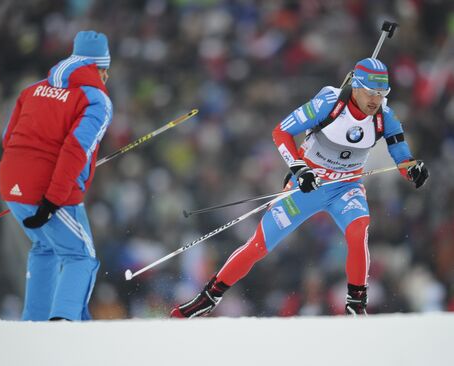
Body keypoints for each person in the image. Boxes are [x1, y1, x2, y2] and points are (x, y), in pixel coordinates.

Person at [171, 58, 429, 318]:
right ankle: (207, 298)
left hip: (345, 188)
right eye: (372, 92)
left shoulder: (385, 116)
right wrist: (299, 169)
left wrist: (412, 170)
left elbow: (401, 154)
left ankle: (356, 305)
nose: (376, 100)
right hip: (307, 187)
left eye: (382, 93)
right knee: (259, 246)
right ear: (357, 86)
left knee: (358, 231)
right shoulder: (330, 103)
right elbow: (280, 132)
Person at [0, 31, 113, 321]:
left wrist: (24, 181)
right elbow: (75, 149)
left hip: (11, 183)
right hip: (49, 190)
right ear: (99, 68)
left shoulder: (33, 89)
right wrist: (52, 200)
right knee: (80, 256)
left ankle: (35, 322)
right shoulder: (96, 99)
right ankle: (63, 324)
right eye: (106, 72)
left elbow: (7, 137)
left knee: (45, 247)